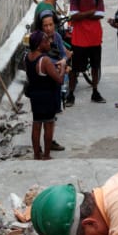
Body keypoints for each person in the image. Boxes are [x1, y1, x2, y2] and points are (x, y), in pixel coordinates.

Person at [66, 0, 105, 105]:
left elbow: (101, 13)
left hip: (95, 37)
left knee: (95, 66)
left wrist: (82, 14)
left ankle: (95, 92)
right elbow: (74, 15)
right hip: (79, 38)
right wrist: (91, 12)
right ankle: (70, 94)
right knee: (74, 69)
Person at [24, 30, 65, 160]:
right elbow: (59, 80)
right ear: (39, 44)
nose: (49, 42)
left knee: (36, 125)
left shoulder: (28, 58)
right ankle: (47, 154)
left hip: (35, 96)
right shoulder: (45, 60)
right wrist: (62, 67)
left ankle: (36, 154)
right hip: (47, 96)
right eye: (46, 41)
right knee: (48, 125)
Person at [39, 9, 71, 152]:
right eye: (45, 26)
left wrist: (63, 62)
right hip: (45, 82)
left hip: (57, 80)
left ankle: (49, 140)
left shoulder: (57, 37)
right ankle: (42, 146)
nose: (49, 28)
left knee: (52, 115)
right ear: (41, 27)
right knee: (42, 116)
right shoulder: (39, 40)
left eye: (51, 25)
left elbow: (64, 55)